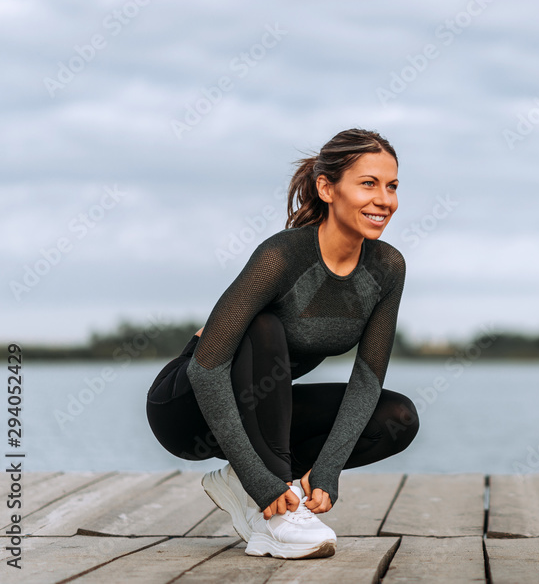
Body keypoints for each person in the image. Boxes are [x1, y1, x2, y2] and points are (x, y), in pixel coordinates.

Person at [145, 128, 419, 559]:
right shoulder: (282, 256)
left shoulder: (387, 268)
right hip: (186, 406)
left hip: (260, 409)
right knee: (264, 325)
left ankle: (266, 488)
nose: (385, 200)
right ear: (327, 188)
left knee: (397, 416)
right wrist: (260, 479)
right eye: (369, 184)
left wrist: (327, 471)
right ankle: (269, 510)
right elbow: (207, 368)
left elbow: (366, 380)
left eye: (392, 186)